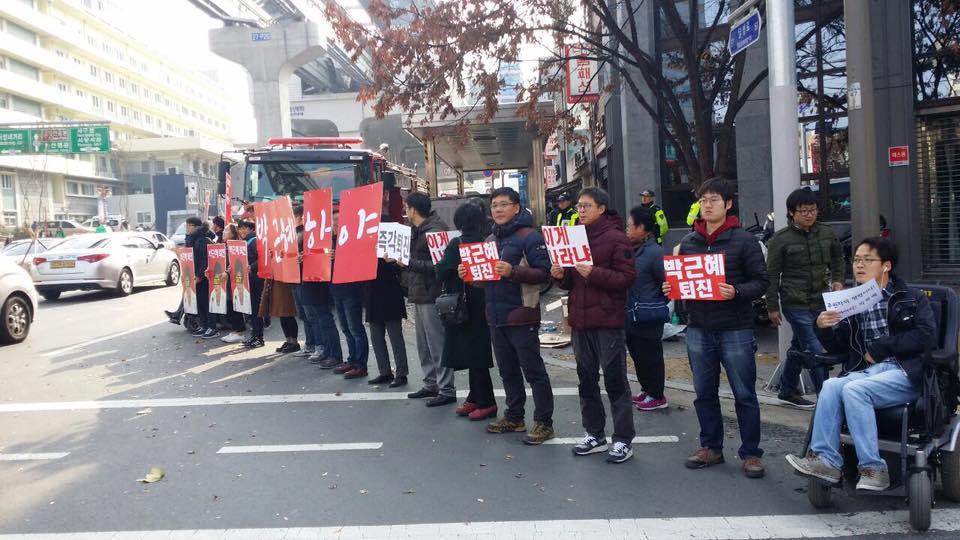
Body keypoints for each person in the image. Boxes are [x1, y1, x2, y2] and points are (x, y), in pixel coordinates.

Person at [785, 238, 935, 491]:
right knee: (832, 385)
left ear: (886, 266)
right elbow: (839, 348)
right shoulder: (853, 301)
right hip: (866, 372)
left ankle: (874, 468)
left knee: (854, 390)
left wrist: (882, 347)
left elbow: (926, 335)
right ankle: (826, 462)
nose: (859, 265)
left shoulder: (911, 298)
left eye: (868, 260)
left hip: (904, 372)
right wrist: (821, 328)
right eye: (856, 260)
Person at [665, 177, 769, 478]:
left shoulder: (744, 241)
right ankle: (710, 447)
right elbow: (681, 286)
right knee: (703, 391)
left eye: (713, 199)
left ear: (728, 204)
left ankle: (751, 453)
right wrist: (671, 287)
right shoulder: (688, 243)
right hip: (699, 328)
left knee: (744, 393)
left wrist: (736, 291)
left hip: (735, 327)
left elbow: (761, 282)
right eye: (703, 200)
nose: (707, 205)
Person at [552, 188, 636, 463]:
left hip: (607, 321)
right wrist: (561, 275)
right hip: (580, 320)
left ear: (602, 208)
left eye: (587, 205)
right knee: (586, 380)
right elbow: (570, 283)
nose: (581, 210)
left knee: (615, 380)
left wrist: (594, 272)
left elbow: (626, 278)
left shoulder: (616, 238)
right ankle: (595, 433)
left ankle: (623, 439)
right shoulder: (573, 237)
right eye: (579, 206)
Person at [477, 187, 555, 445]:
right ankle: (514, 416)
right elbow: (486, 280)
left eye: (503, 204)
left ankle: (544, 423)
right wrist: (470, 274)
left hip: (522, 314)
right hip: (496, 317)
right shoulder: (489, 240)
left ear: (516, 208)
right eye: (494, 205)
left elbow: (545, 275)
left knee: (534, 372)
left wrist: (513, 271)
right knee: (508, 371)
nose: (498, 210)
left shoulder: (530, 237)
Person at [766, 187, 845, 408]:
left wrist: (839, 279)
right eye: (803, 211)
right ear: (792, 212)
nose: (809, 214)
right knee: (815, 349)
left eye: (812, 210)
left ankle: (787, 389)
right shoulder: (780, 239)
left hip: (820, 301)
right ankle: (826, 401)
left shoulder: (827, 233)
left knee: (799, 346)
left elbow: (839, 258)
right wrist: (772, 307)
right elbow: (772, 275)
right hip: (794, 302)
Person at [439, 203, 496, 420]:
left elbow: (441, 272)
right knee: (478, 352)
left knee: (474, 355)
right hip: (484, 302)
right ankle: (474, 397)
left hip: (463, 305)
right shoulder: (486, 242)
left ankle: (487, 402)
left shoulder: (457, 243)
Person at [403, 192, 457, 406]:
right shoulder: (418, 231)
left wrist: (406, 262)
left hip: (432, 294)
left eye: (406, 207)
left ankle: (446, 388)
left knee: (437, 343)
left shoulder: (434, 231)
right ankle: (431, 383)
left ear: (413, 209)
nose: (405, 212)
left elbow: (438, 268)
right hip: (419, 293)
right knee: (424, 344)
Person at [625, 205, 669, 411]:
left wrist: (656, 301)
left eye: (630, 226)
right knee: (637, 354)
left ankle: (657, 395)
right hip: (631, 313)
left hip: (648, 314)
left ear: (642, 228)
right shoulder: (632, 251)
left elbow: (668, 284)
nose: (627, 229)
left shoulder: (655, 253)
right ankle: (647, 389)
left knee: (651, 356)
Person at [365, 256, 409, 386]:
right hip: (372, 293)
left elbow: (401, 264)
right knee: (376, 337)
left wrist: (393, 262)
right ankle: (384, 371)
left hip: (390, 292)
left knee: (395, 338)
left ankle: (401, 373)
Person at [291, 206, 322, 360]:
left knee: (311, 314)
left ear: (300, 217)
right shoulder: (291, 233)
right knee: (303, 314)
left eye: (293, 216)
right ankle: (310, 344)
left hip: (305, 278)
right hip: (295, 277)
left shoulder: (304, 233)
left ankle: (317, 345)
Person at [185, 217, 219, 339]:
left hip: (204, 277)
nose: (187, 228)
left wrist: (199, 275)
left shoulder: (202, 240)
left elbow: (204, 260)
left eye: (189, 225)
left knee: (206, 302)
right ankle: (204, 326)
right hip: (194, 276)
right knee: (199, 303)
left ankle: (212, 327)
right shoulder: (192, 239)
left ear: (195, 227)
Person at [238, 220, 265, 348]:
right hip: (248, 280)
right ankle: (254, 336)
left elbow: (262, 258)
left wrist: (252, 267)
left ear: (251, 229)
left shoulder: (254, 241)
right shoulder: (244, 242)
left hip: (256, 280)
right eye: (240, 229)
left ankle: (259, 337)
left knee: (256, 311)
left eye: (244, 228)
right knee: (252, 311)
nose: (242, 231)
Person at [220, 223, 247, 343]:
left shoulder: (235, 247)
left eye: (226, 230)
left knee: (235, 306)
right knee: (230, 307)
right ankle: (236, 330)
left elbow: (235, 263)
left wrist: (227, 272)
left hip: (235, 281)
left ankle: (239, 332)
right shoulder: (223, 246)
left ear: (233, 233)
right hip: (225, 281)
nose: (223, 232)